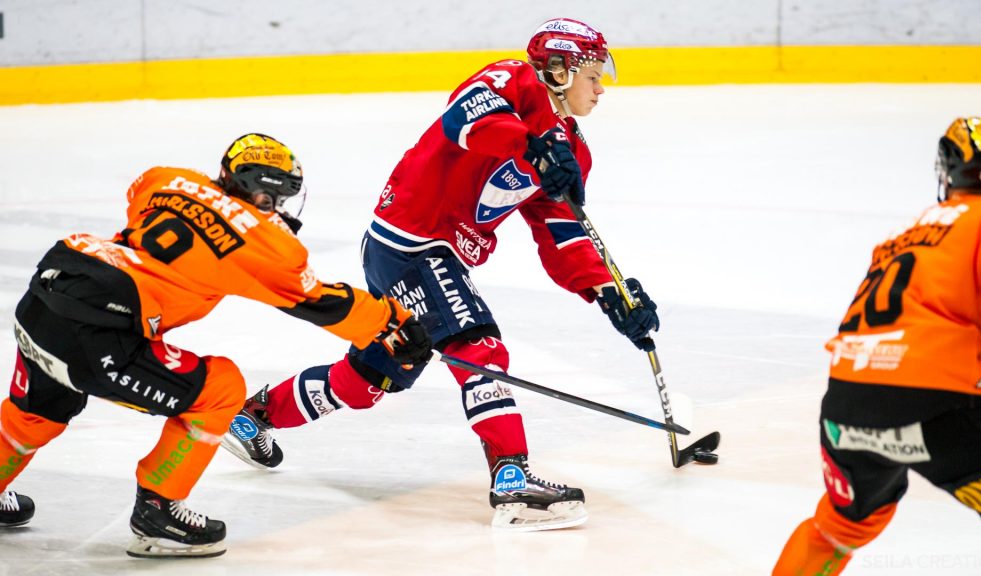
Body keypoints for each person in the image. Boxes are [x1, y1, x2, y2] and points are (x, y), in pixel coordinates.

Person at [221, 18, 660, 531]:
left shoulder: (571, 153)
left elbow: (561, 234)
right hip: (413, 242)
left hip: (424, 253)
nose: (601, 88)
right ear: (560, 71)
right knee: (479, 347)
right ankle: (512, 482)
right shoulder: (512, 81)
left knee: (374, 377)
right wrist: (530, 146)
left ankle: (253, 417)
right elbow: (464, 122)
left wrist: (607, 292)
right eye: (593, 75)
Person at [0, 133, 431, 557]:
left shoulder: (167, 179)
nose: (282, 210)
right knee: (219, 388)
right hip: (98, 329)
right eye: (280, 200)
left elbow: (140, 198)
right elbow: (320, 302)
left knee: (34, 412)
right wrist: (392, 324)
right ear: (264, 195)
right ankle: (158, 513)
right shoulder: (262, 242)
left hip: (47, 297)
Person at [773, 117, 981, 574]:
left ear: (945, 171)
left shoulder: (899, 237)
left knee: (838, 530)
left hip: (846, 408)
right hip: (935, 403)